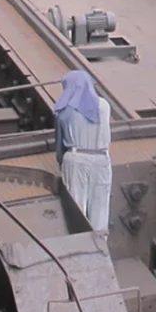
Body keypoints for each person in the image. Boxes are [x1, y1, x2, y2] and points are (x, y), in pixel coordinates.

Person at [54, 70, 112, 232]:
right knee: (101, 210)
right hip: (102, 159)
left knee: (77, 208)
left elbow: (59, 147)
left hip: (76, 159)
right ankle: (101, 247)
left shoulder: (64, 111)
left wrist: (61, 162)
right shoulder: (105, 107)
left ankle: (79, 245)